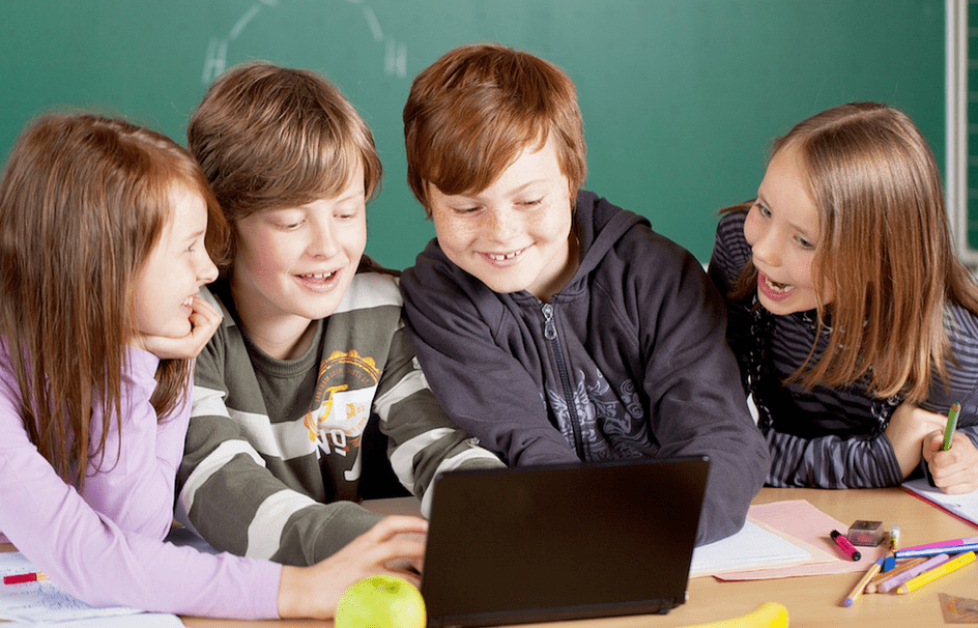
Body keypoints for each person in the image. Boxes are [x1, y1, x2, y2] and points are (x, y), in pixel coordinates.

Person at [0, 112, 426, 620]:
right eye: (187, 250)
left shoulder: (138, 348)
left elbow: (136, 531)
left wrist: (136, 361)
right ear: (105, 267)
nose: (207, 269)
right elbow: (96, 561)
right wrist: (299, 590)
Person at [398, 43, 770, 545]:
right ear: (426, 195)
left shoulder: (659, 274)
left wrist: (647, 531)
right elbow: (520, 444)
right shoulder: (438, 299)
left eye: (529, 200)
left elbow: (720, 439)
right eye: (467, 209)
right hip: (549, 544)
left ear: (571, 178)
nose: (503, 233)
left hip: (673, 542)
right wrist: (592, 534)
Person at [175, 63, 503, 567]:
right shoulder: (188, 328)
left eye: (347, 213)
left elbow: (437, 443)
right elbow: (216, 485)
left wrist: (494, 510)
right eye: (291, 221)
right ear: (222, 221)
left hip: (340, 582)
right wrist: (374, 543)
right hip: (228, 593)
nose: (328, 247)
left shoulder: (377, 311)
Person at [708, 102, 978, 494]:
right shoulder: (740, 251)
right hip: (776, 512)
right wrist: (878, 461)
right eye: (764, 208)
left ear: (881, 259)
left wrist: (967, 453)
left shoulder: (949, 345)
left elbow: (954, 446)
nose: (763, 251)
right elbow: (712, 441)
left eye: (803, 240)